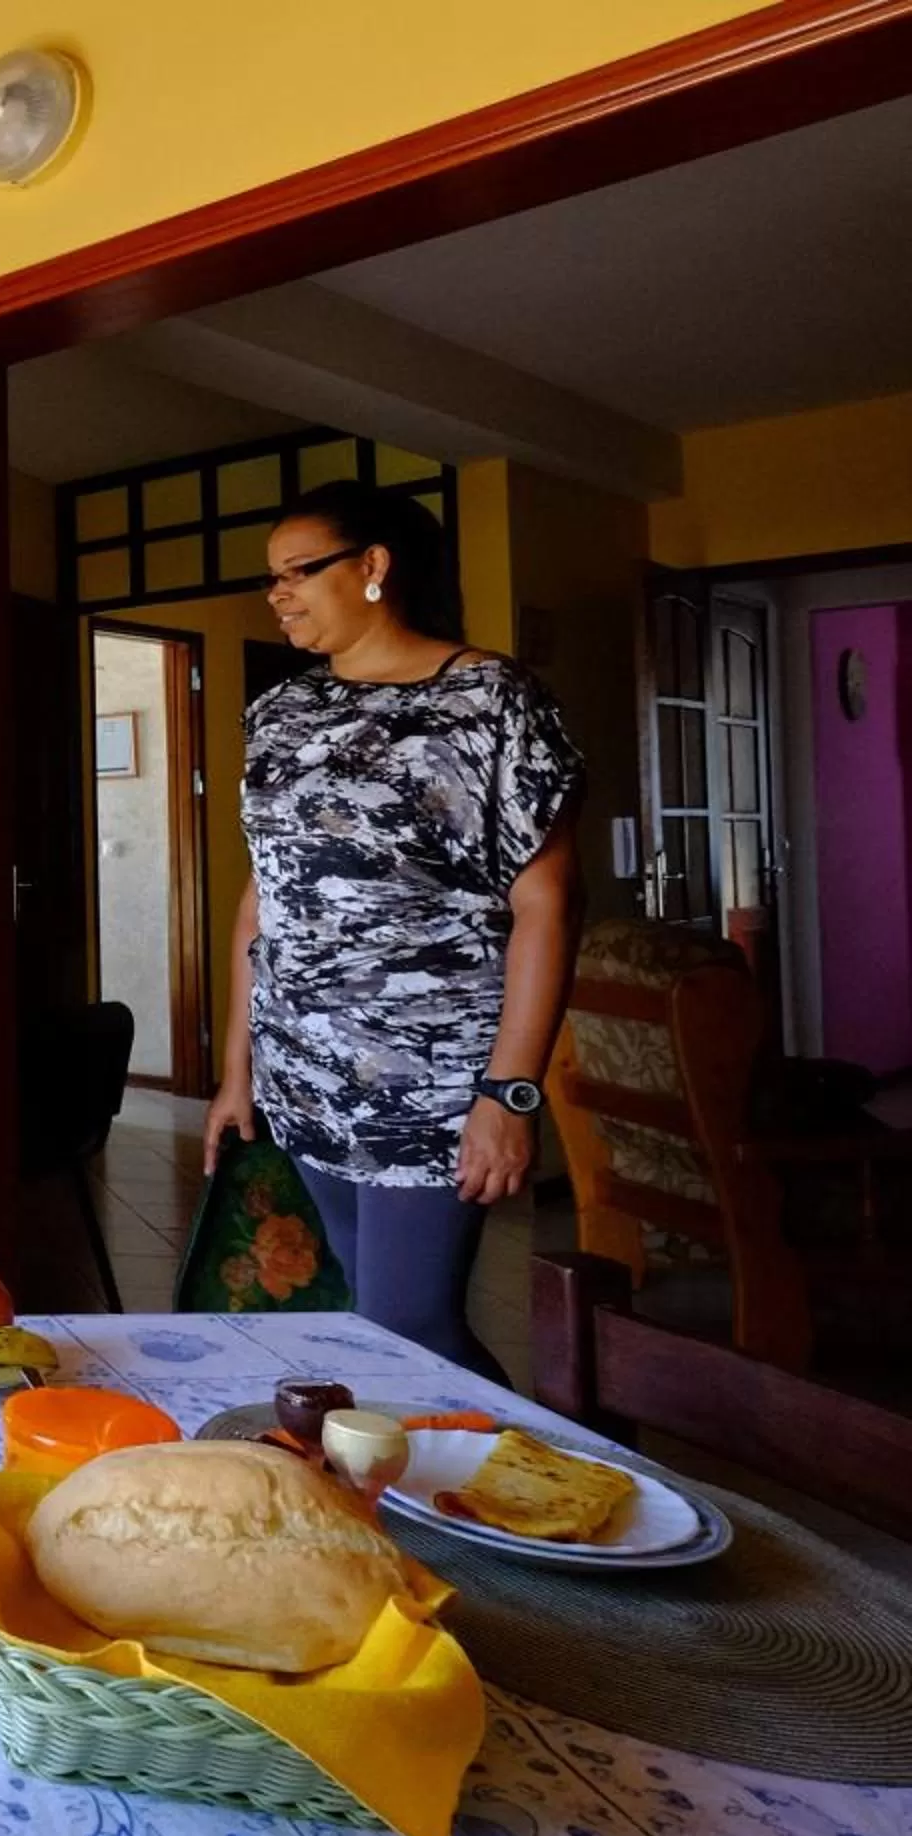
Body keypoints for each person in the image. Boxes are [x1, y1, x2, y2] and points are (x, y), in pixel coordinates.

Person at [203, 481, 583, 1378]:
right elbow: (263, 899)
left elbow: (547, 906)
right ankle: (425, 1489)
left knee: (411, 1323)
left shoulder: (491, 699)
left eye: (299, 571)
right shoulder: (279, 713)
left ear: (373, 566)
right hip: (303, 1065)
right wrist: (237, 1071)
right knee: (369, 1318)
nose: (279, 594)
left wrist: (511, 1092)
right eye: (271, 579)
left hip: (436, 1073)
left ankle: (528, 1494)